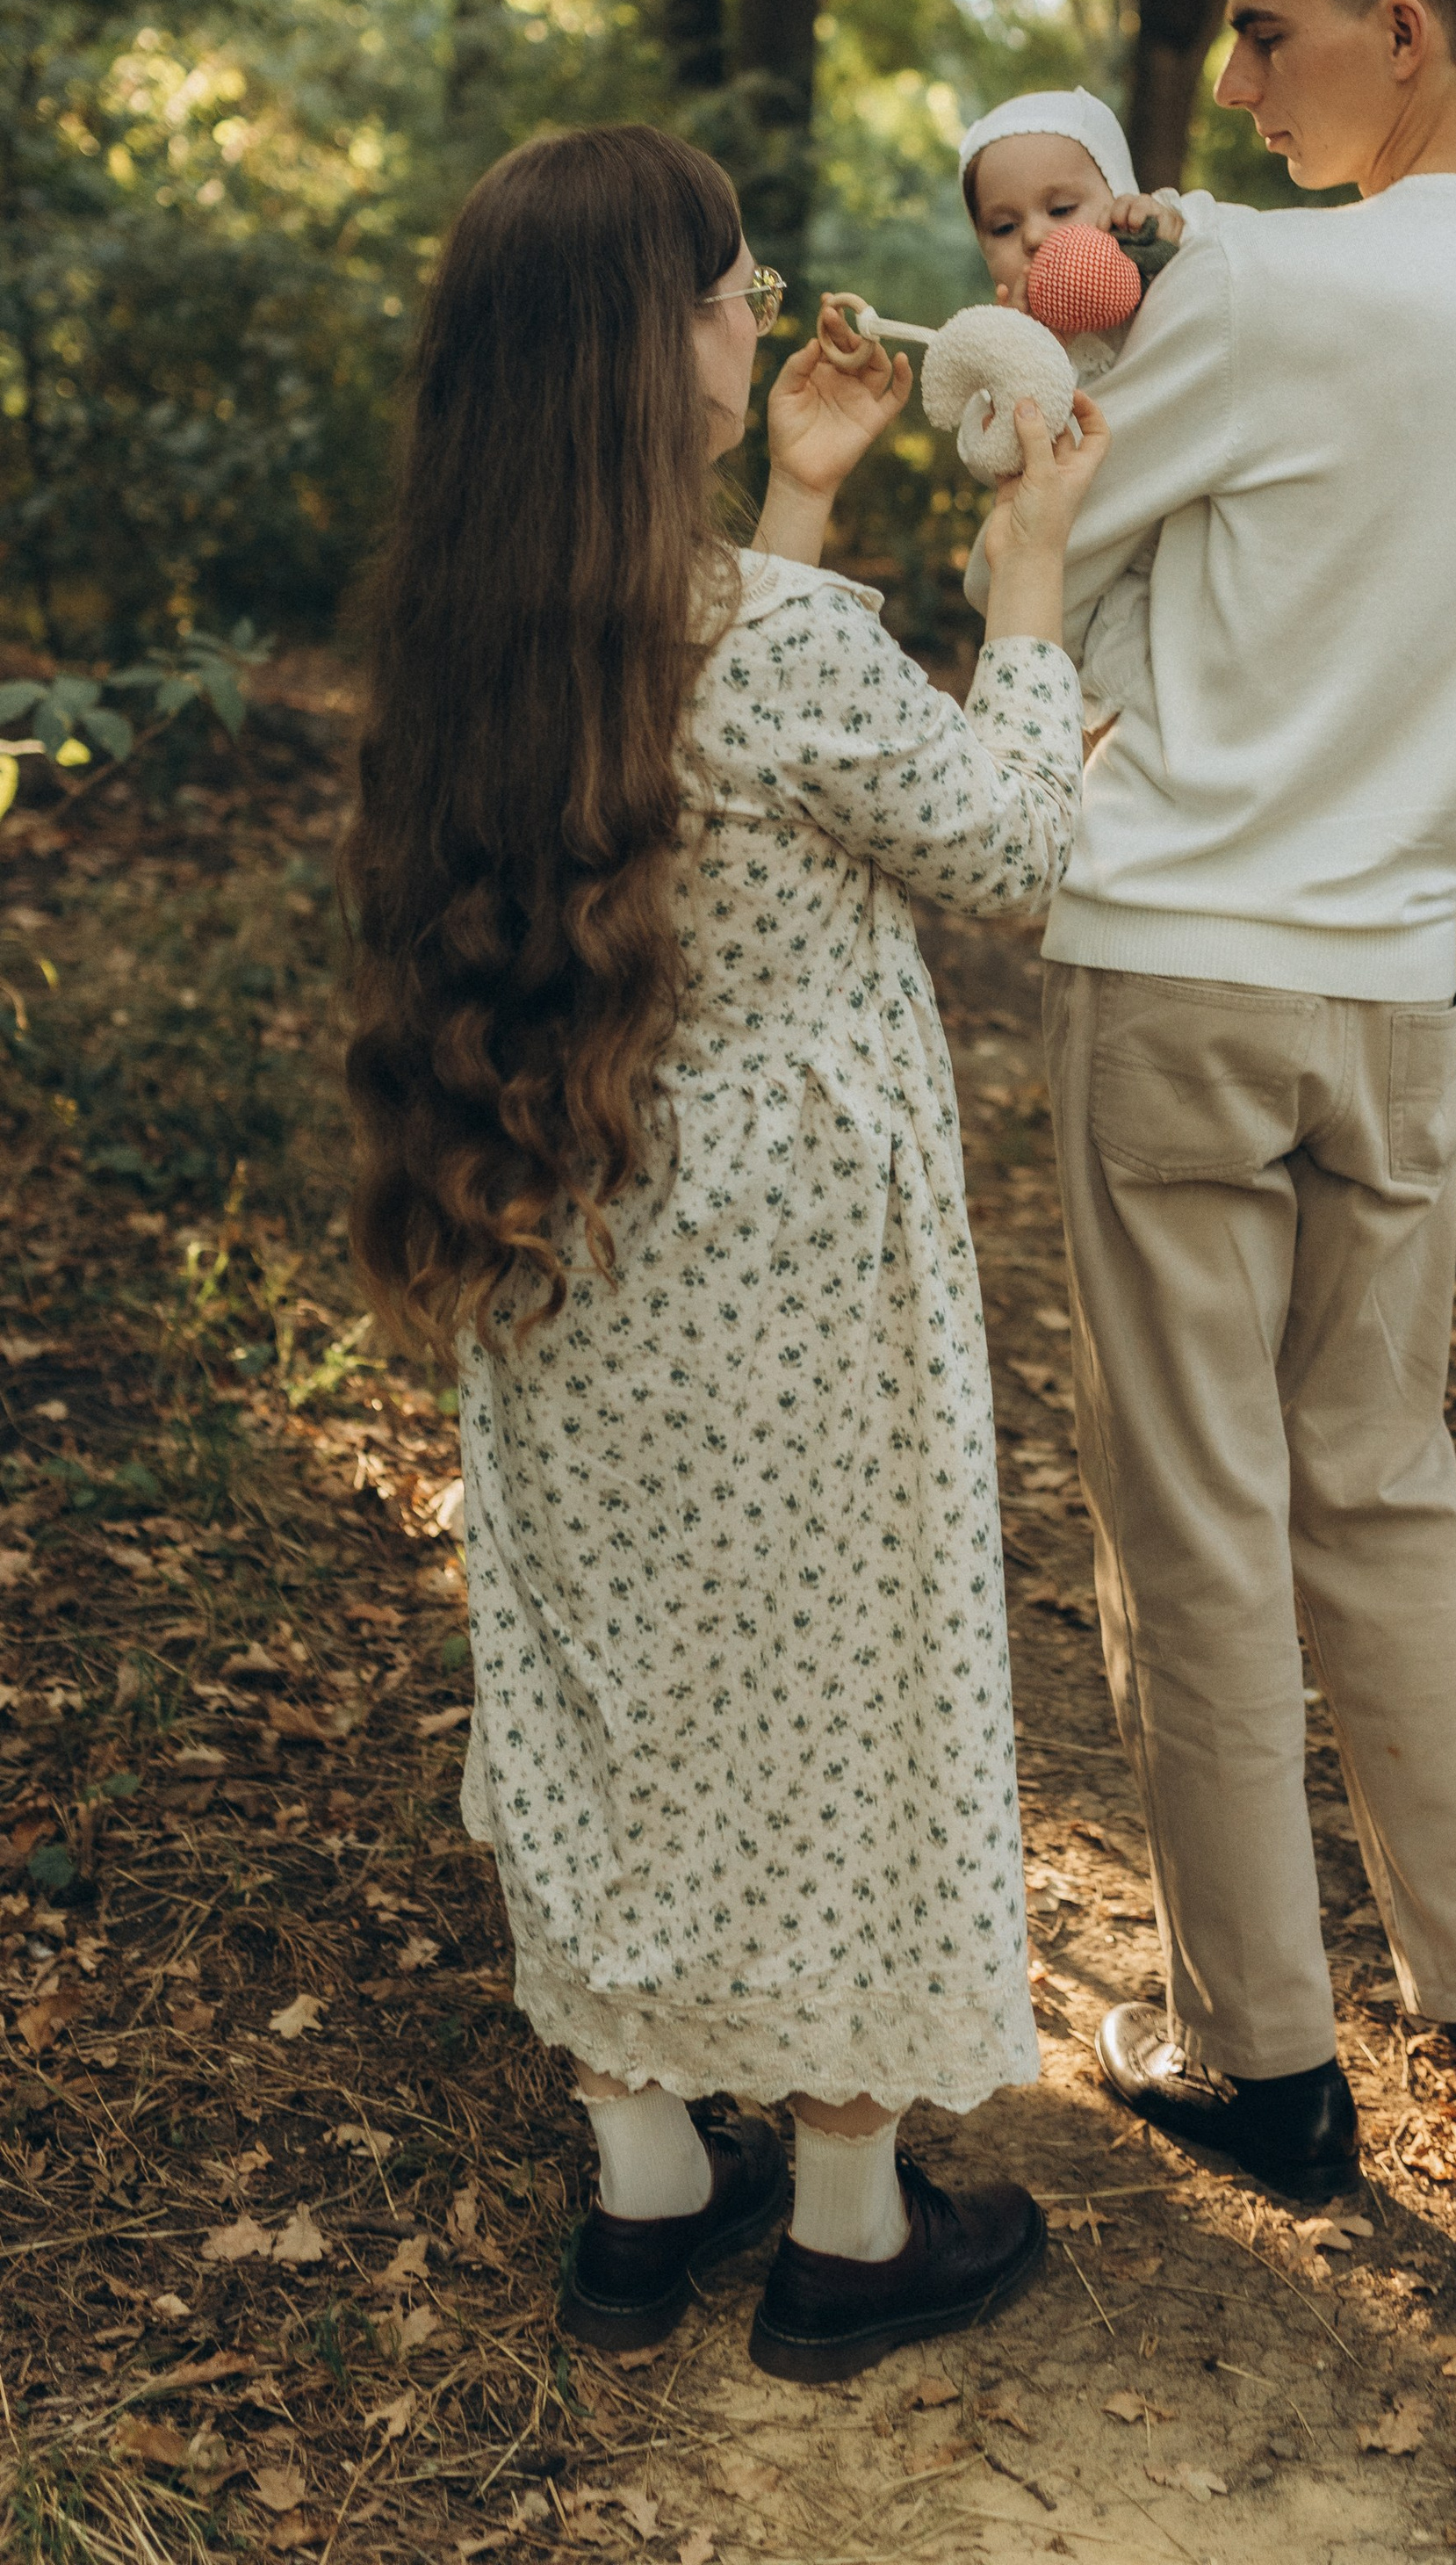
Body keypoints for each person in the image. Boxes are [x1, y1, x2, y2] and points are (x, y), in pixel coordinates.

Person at [340, 125, 1108, 2380]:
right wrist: (1030, 568)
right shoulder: (770, 649)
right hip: (792, 1271)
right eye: (732, 285)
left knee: (617, 1687)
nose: (769, 305)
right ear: (629, 347)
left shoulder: (482, 641)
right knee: (837, 1690)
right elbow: (1011, 843)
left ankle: (646, 2178)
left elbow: (678, 792)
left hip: (564, 1247)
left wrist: (799, 502)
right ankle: (852, 2223)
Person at [979, 0, 1456, 2198]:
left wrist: (1094, 345)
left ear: (1412, 31)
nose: (1230, 74)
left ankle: (1257, 2055)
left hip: (1180, 952)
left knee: (1194, 1516)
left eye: (1270, 31)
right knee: (1386, 1491)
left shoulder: (1270, 287)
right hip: (1396, 976)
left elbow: (1049, 525)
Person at [958, 86, 1199, 733]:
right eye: (1003, 228)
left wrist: (1154, 232)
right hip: (1078, 591)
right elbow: (985, 448)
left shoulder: (1169, 293)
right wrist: (1027, 358)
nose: (1036, 235)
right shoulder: (1017, 341)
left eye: (1062, 208)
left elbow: (1196, 240)